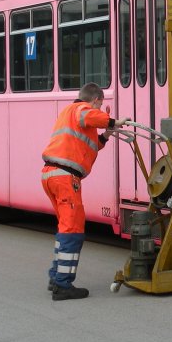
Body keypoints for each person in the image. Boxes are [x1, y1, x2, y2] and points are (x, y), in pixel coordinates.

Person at [41, 82, 129, 301]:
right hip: (65, 177)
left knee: (64, 227)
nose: (99, 110)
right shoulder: (80, 110)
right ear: (97, 100)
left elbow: (90, 145)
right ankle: (63, 285)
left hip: (52, 174)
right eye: (100, 106)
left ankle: (56, 277)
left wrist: (107, 134)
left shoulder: (71, 116)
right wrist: (113, 121)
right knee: (73, 228)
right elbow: (88, 116)